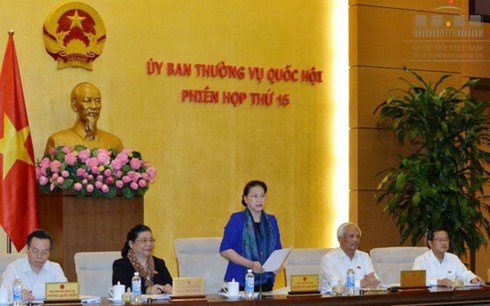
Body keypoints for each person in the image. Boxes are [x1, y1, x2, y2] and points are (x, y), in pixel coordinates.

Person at [219, 180, 282, 292]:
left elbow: (278, 250)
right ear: (245, 199)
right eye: (254, 196)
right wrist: (250, 264)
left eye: (262, 196)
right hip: (240, 280)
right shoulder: (237, 219)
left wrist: (278, 265)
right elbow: (225, 249)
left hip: (266, 280)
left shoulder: (271, 221)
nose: (259, 200)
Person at [44, 82, 123, 153]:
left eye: (97, 101)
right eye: (87, 101)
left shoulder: (114, 142)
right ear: (74, 105)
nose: (94, 106)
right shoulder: (58, 141)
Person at [1, 229, 67, 300]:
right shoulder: (14, 268)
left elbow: (65, 294)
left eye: (44, 252)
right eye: (35, 251)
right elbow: (3, 295)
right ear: (28, 248)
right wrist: (18, 296)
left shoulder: (55, 269)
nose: (39, 256)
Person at [412, 228, 484, 287]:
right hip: (429, 297)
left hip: (450, 297)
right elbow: (416, 280)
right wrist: (437, 282)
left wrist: (473, 278)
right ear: (430, 243)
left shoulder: (453, 258)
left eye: (446, 239)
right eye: (440, 240)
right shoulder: (421, 260)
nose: (444, 243)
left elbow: (464, 273)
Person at [112, 224, 172, 294]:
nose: (149, 244)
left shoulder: (159, 263)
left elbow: (171, 284)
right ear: (131, 244)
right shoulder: (121, 265)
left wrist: (169, 288)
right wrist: (147, 290)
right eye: (144, 240)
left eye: (151, 240)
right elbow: (121, 289)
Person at [320, 222, 379, 292]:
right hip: (334, 300)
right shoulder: (329, 259)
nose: (355, 240)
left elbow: (374, 279)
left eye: (358, 237)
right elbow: (336, 285)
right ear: (340, 239)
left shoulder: (364, 257)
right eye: (351, 236)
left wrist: (371, 281)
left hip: (361, 299)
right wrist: (361, 283)